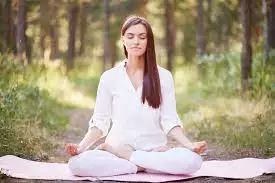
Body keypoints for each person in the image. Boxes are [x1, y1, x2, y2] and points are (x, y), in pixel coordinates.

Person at [65, 15, 207, 177]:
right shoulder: (109, 77)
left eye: (142, 37)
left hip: (153, 150)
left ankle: (133, 161)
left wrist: (190, 146)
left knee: (193, 161)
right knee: (77, 164)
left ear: (149, 41)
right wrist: (81, 148)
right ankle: (146, 165)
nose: (136, 41)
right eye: (130, 36)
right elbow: (100, 122)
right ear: (123, 40)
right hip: (115, 150)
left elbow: (170, 121)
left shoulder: (164, 76)